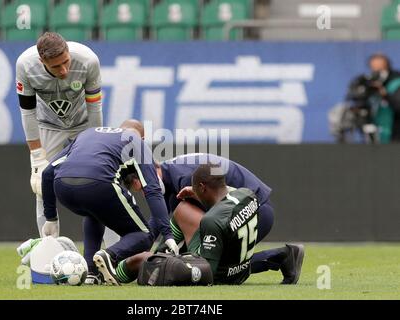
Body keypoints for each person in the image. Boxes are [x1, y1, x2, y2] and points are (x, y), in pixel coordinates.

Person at [104, 163, 304, 286]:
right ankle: (282, 256)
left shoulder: (185, 182)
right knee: (182, 213)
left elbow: (208, 268)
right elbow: (161, 220)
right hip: (253, 207)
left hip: (250, 221)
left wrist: (166, 262)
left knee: (147, 260)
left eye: (138, 184)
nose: (142, 190)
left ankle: (114, 272)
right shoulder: (243, 193)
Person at [40, 120, 178, 285]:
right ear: (141, 137)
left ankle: (91, 272)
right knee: (143, 235)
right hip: (99, 184)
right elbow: (153, 189)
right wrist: (167, 233)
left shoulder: (88, 133)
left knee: (95, 214)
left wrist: (51, 218)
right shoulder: (136, 142)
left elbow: (48, 172)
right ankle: (109, 255)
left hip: (62, 186)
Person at [16, 32, 103, 237]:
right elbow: (27, 112)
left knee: (101, 183)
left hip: (84, 126)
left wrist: (96, 145)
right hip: (48, 126)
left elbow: (95, 107)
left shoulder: (88, 60)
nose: (63, 70)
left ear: (68, 52)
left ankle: (113, 255)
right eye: (56, 66)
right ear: (42, 61)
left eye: (66, 62)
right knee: (41, 187)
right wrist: (37, 156)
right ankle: (49, 252)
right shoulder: (25, 66)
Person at [123, 153, 274, 249]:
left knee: (214, 260)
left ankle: (281, 257)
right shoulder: (170, 175)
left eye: (144, 188)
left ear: (152, 170)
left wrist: (156, 258)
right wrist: (130, 250)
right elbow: (157, 222)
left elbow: (206, 225)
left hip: (258, 209)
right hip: (250, 208)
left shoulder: (185, 177)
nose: (145, 194)